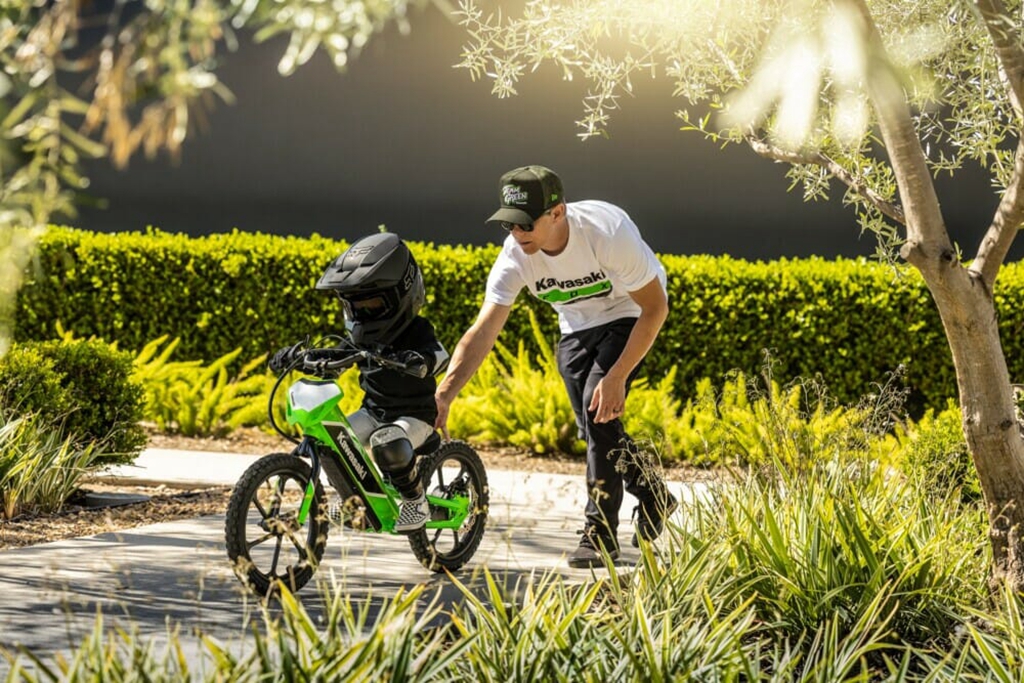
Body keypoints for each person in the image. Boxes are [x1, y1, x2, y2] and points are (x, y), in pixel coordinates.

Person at [434, 165, 676, 568]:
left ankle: (599, 534)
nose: (517, 234)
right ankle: (652, 491)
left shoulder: (606, 232)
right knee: (595, 423)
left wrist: (616, 376)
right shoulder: (515, 256)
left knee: (599, 415)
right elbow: (484, 330)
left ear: (557, 213)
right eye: (509, 224)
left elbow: (655, 308)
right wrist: (445, 392)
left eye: (526, 224)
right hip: (577, 325)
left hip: (629, 312)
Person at [270, 232, 449, 533]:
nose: (362, 314)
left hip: (414, 416)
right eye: (355, 307)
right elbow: (333, 353)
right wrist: (298, 356)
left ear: (400, 296)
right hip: (373, 412)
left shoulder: (417, 330)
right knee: (332, 439)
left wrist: (418, 361)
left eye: (371, 306)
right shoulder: (361, 339)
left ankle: (415, 501)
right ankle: (356, 501)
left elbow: (440, 355)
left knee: (388, 440)